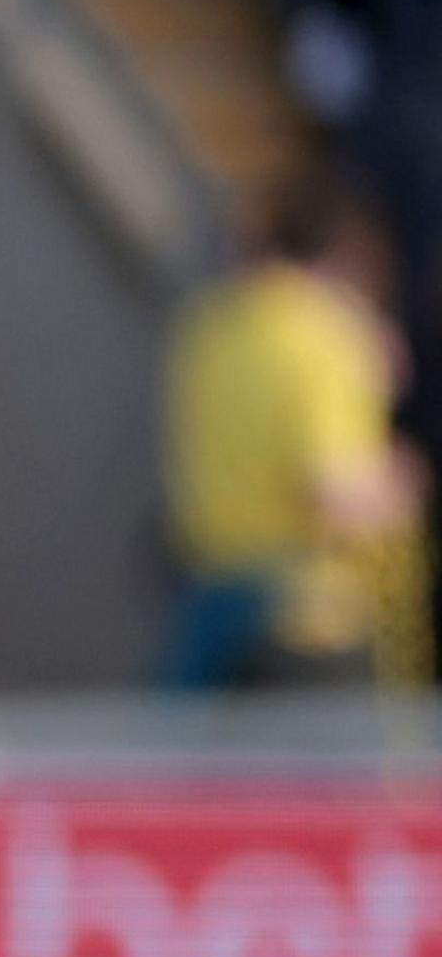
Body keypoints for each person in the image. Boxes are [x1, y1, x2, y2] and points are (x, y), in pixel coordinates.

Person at [160, 166, 421, 685]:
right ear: (350, 255)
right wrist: (399, 481)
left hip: (206, 593)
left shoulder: (211, 325)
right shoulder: (328, 340)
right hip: (304, 622)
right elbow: (339, 492)